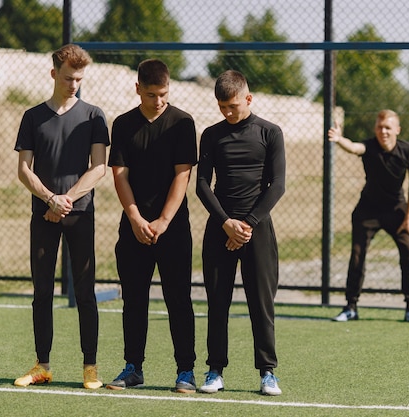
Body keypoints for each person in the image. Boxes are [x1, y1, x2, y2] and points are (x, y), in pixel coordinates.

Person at [13, 44, 109, 389]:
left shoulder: (95, 115)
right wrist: (49, 199)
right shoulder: (32, 117)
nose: (74, 84)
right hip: (44, 213)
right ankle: (42, 366)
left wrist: (65, 199)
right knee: (42, 291)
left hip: (80, 213)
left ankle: (90, 369)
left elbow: (99, 167)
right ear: (54, 74)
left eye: (80, 79)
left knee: (85, 291)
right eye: (69, 77)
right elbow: (24, 170)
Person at [106, 59, 198, 393]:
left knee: (179, 299)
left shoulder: (183, 123)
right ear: (137, 89)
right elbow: (119, 174)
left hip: (173, 229)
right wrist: (135, 218)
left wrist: (162, 221)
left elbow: (182, 174)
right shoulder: (122, 124)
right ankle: (133, 368)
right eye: (150, 94)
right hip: (133, 228)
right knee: (134, 299)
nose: (157, 100)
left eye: (163, 94)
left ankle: (185, 370)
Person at [196, 70, 286, 396]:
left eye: (233, 106)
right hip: (220, 227)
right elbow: (202, 185)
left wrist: (246, 223)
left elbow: (278, 186)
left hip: (257, 230)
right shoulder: (210, 135)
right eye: (222, 107)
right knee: (217, 303)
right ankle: (214, 371)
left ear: (248, 99)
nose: (228, 112)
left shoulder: (270, 133)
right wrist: (225, 223)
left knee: (260, 304)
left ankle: (267, 372)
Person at [328, 109, 409, 323]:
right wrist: (340, 138)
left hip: (397, 210)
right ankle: (351, 307)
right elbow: (354, 147)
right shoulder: (369, 146)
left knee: (408, 252)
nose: (383, 131)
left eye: (388, 127)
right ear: (375, 129)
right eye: (380, 127)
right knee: (358, 254)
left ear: (397, 130)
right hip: (367, 209)